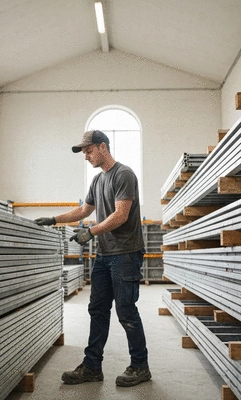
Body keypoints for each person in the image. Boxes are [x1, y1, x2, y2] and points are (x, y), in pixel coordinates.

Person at [35, 130, 151, 387]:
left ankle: (140, 366)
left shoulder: (124, 175)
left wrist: (91, 232)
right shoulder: (98, 181)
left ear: (102, 147)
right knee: (97, 310)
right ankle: (91, 366)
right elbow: (83, 210)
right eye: (84, 152)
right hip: (105, 255)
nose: (86, 156)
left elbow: (120, 215)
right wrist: (54, 220)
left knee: (126, 311)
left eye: (88, 151)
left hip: (125, 253)